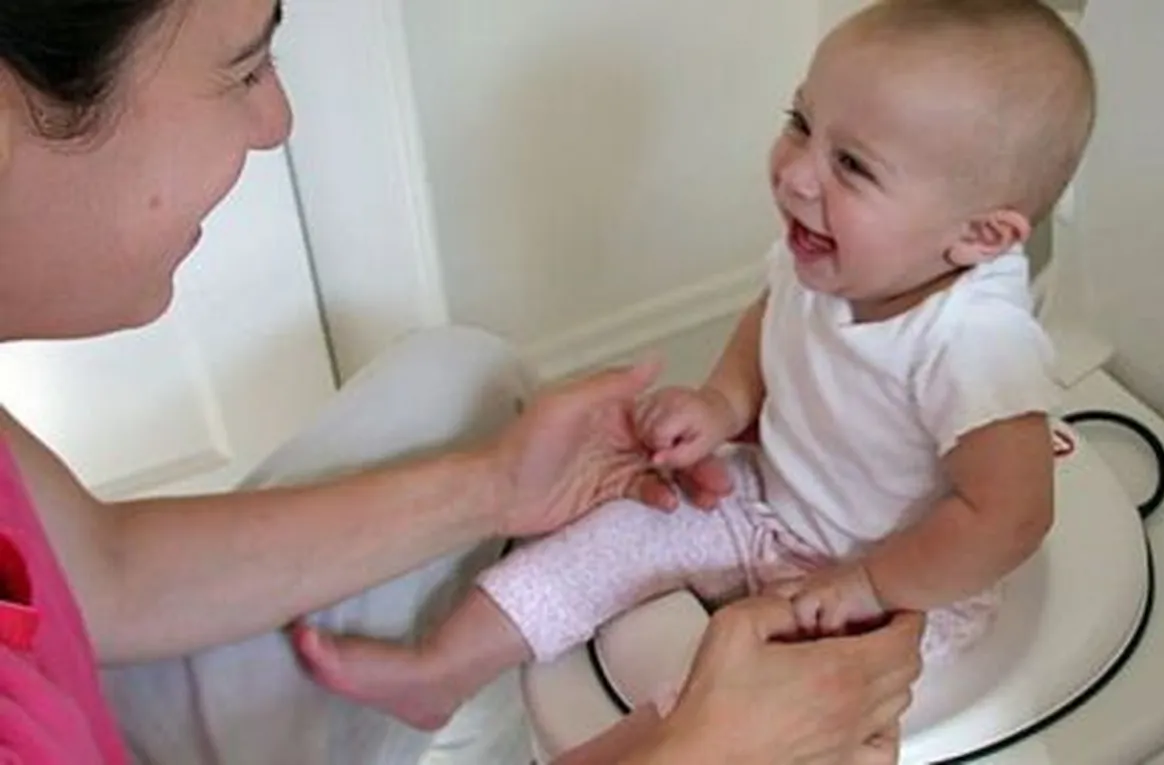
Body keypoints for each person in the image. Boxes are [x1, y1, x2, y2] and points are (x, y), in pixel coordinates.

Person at [0, 0, 927, 763]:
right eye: (243, 70)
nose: (277, 121)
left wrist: (496, 485)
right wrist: (700, 750)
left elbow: (99, 572)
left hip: (86, 694)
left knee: (461, 379)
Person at [294, 0, 1095, 752]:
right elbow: (770, 319)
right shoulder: (827, 254)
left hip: (899, 583)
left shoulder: (976, 344)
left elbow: (1009, 517)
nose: (797, 173)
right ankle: (441, 671)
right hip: (769, 499)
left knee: (730, 695)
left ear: (980, 236)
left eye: (851, 164)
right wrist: (723, 400)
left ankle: (668, 741)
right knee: (601, 540)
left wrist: (870, 585)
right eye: (800, 123)